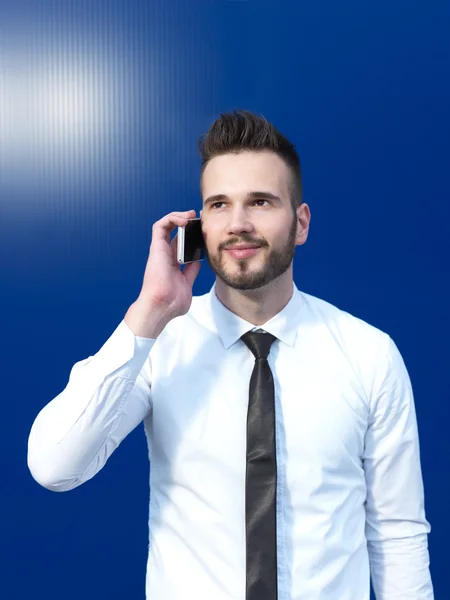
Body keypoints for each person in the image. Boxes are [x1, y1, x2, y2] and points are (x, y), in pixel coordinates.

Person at [27, 110, 433, 599]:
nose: (238, 224)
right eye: (219, 205)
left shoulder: (370, 354)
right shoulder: (159, 344)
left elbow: (397, 534)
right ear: (199, 226)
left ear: (300, 223)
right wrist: (148, 315)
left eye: (260, 202)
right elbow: (54, 466)